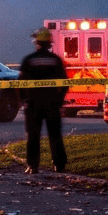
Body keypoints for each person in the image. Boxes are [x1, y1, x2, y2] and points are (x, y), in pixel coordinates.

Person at [18, 27, 68, 175]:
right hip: (52, 104)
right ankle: (59, 165)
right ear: (49, 43)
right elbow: (65, 82)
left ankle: (33, 166)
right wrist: (59, 100)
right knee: (55, 135)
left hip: (33, 104)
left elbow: (20, 82)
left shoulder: (29, 60)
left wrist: (24, 100)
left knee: (33, 136)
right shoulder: (56, 60)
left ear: (37, 42)